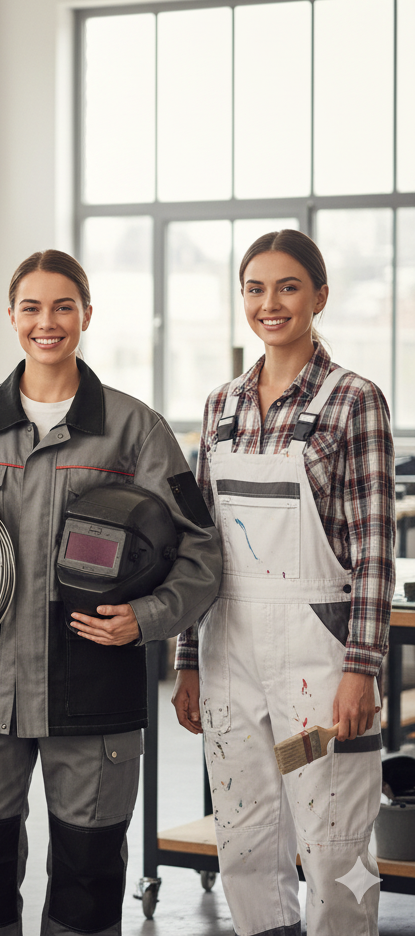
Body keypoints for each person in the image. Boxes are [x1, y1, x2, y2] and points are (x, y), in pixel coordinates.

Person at [0, 249, 221, 936]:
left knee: (88, 877)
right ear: (12, 316)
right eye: (31, 308)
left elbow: (200, 552)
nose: (46, 323)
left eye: (62, 307)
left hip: (94, 677)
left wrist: (144, 619)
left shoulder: (136, 430)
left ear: (85, 315)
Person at [171, 229, 392, 936]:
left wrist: (362, 670)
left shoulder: (354, 401)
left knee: (332, 845)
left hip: (317, 665)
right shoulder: (220, 408)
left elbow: (375, 551)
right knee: (245, 834)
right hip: (229, 656)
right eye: (256, 288)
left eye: (288, 287)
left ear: (319, 296)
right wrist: (186, 661)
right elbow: (199, 546)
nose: (271, 304)